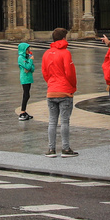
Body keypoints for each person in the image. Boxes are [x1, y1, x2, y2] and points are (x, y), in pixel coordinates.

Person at [41, 28, 78, 157]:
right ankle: (65, 148)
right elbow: (70, 73)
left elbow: (45, 73)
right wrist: (73, 86)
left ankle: (51, 149)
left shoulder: (46, 53)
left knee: (52, 121)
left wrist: (51, 83)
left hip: (51, 91)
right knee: (65, 121)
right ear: (63, 38)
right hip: (64, 91)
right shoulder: (65, 53)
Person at [16, 41, 36, 121]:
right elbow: (27, 67)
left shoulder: (26, 57)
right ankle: (22, 112)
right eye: (27, 49)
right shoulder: (21, 58)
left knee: (27, 94)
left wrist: (29, 63)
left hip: (29, 78)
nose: (29, 50)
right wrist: (30, 61)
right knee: (26, 95)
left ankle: (24, 111)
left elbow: (32, 68)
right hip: (25, 78)